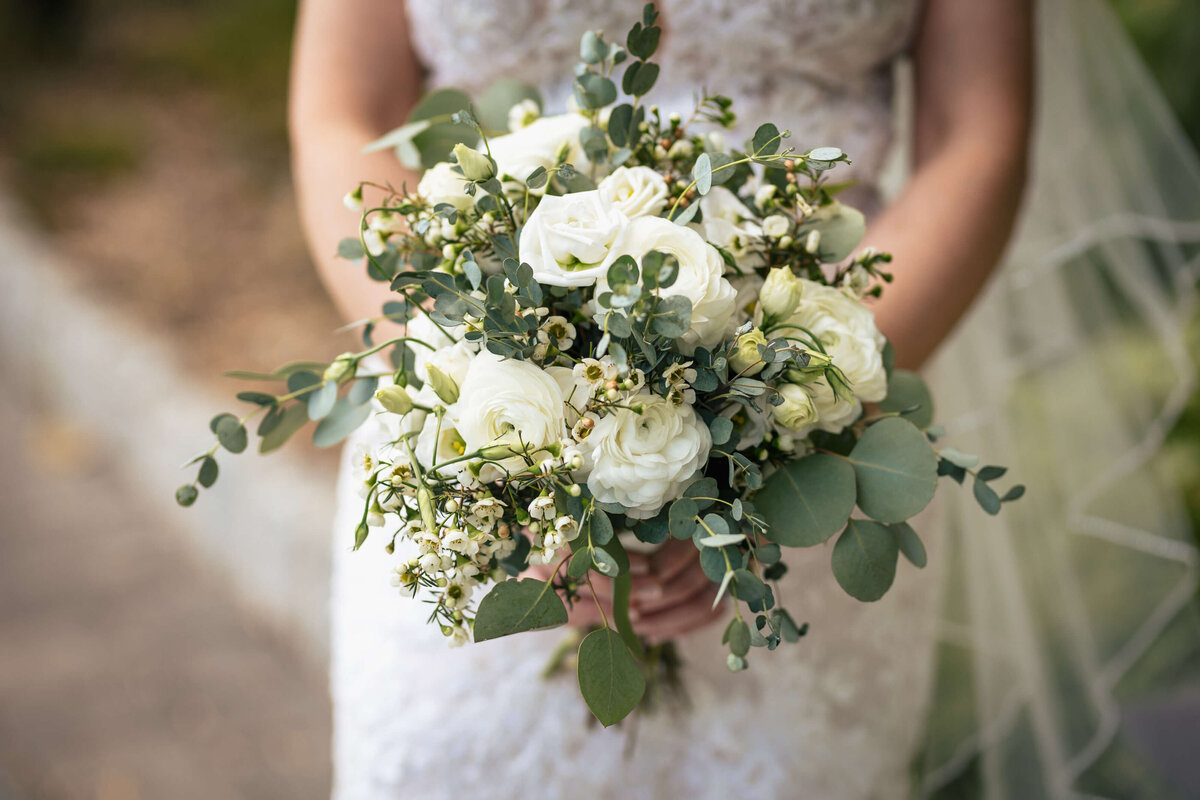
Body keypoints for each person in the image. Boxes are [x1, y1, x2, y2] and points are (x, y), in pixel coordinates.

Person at [289, 1, 1200, 797]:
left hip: (822, 445)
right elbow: (344, 113)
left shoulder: (802, 428)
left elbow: (978, 141)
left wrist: (762, 433)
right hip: (470, 449)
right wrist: (493, 425)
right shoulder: (474, 425)